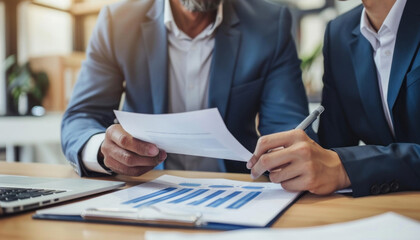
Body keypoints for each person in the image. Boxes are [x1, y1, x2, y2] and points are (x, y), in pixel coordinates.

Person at [62, 0, 314, 177]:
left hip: (238, 188)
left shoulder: (270, 25)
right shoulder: (116, 23)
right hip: (146, 188)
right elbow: (82, 117)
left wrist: (286, 157)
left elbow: (289, 127)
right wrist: (103, 151)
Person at [247, 0, 420, 197]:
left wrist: (348, 167)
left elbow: (342, 163)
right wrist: (305, 159)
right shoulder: (340, 33)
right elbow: (334, 150)